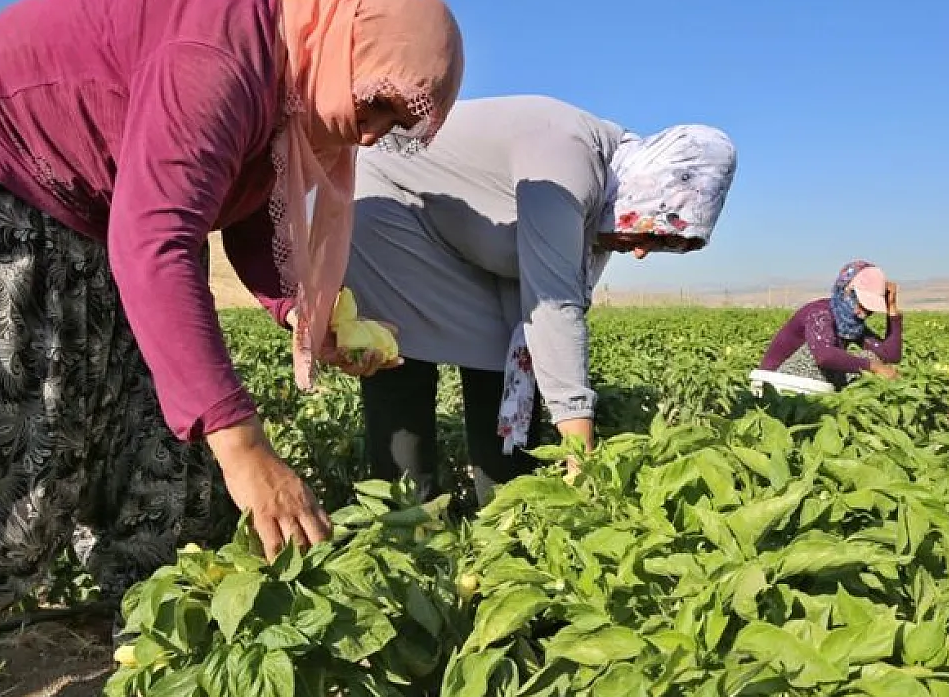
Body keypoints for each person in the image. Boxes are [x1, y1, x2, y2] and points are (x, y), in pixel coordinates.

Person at [0, 0, 463, 690]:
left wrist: (303, 314)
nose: (374, 133)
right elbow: (156, 237)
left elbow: (251, 211)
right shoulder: (221, 54)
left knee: (162, 475)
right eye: (377, 102)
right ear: (351, 39)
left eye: (395, 122)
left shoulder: (283, 83)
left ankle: (166, 665)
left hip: (81, 226)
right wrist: (246, 446)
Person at [345, 95, 737, 504]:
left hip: (459, 234)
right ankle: (406, 524)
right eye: (654, 231)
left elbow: (542, 324)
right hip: (388, 204)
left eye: (669, 244)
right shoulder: (567, 157)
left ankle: (507, 518)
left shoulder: (610, 195)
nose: (641, 251)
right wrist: (582, 463)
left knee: (507, 360)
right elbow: (554, 307)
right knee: (403, 354)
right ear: (651, 184)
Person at [757, 260, 903, 388]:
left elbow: (889, 355)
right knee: (823, 353)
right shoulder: (820, 313)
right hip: (775, 381)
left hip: (808, 384)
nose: (863, 312)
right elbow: (824, 356)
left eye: (869, 308)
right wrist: (872, 367)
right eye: (860, 302)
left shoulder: (851, 325)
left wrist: (892, 308)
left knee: (872, 357)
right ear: (845, 292)